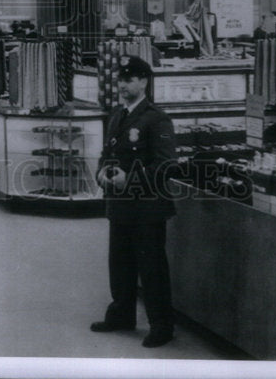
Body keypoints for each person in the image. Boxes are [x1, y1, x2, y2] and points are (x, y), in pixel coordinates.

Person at [91, 56, 176, 349]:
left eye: (129, 79)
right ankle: (121, 314)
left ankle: (162, 325)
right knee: (121, 264)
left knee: (151, 268)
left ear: (144, 82)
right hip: (120, 204)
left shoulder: (156, 118)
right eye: (120, 80)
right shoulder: (117, 115)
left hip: (148, 207)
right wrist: (101, 171)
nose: (123, 85)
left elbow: (166, 166)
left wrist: (130, 180)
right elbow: (108, 152)